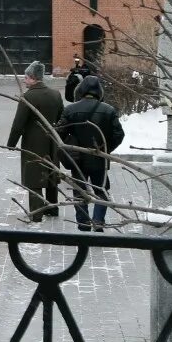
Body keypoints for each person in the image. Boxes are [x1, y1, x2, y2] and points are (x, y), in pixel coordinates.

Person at [58, 75, 124, 232]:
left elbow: (59, 134)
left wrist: (70, 146)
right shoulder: (109, 110)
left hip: (77, 160)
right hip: (99, 159)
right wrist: (105, 150)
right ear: (99, 92)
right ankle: (98, 221)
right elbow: (118, 135)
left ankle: (83, 223)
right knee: (101, 190)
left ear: (81, 91)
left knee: (79, 191)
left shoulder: (70, 110)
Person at [7, 61, 64, 223]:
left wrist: (11, 143)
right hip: (52, 141)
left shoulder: (28, 97)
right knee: (51, 172)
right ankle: (52, 208)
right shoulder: (55, 94)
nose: (24, 80)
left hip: (33, 142)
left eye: (26, 77)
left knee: (34, 176)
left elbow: (18, 124)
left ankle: (37, 213)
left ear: (32, 78)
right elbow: (62, 118)